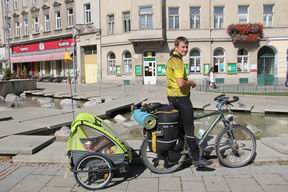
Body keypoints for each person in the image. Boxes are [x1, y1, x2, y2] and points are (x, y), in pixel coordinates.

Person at [166, 36, 211, 168]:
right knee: (189, 129)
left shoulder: (171, 59)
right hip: (180, 97)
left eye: (187, 46)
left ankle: (177, 151)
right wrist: (191, 82)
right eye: (183, 47)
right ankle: (196, 159)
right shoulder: (178, 61)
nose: (185, 49)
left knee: (180, 127)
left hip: (172, 96)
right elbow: (180, 83)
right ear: (176, 47)